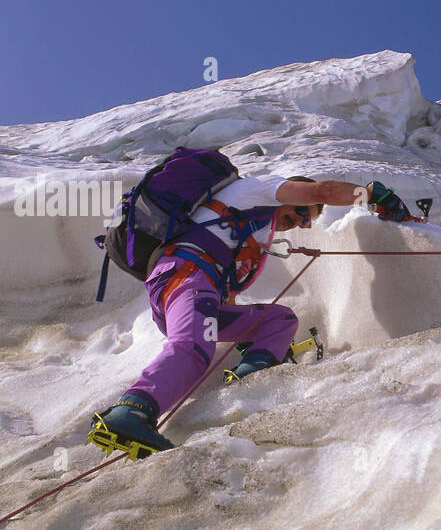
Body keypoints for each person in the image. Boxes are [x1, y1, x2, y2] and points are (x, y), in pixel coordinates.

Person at [88, 174, 411, 457]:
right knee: (193, 349)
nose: (301, 221)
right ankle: (131, 409)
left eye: (306, 221)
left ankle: (250, 380)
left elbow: (229, 297)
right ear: (292, 193)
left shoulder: (251, 232)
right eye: (301, 210)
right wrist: (373, 194)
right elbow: (325, 191)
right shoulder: (259, 189)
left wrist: (252, 348)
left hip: (198, 291)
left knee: (278, 321)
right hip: (186, 275)